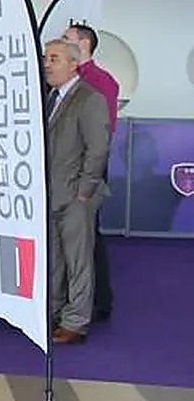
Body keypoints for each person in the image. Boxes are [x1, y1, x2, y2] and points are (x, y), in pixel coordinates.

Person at [43, 39, 111, 344]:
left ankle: (76, 322)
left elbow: (98, 149)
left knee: (78, 261)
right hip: (52, 193)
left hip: (76, 196)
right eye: (46, 58)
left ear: (73, 64)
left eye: (54, 59)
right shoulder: (50, 98)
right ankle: (55, 311)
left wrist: (84, 192)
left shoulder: (90, 99)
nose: (47, 64)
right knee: (55, 259)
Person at [65, 23, 119, 322]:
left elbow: (102, 133)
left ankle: (99, 299)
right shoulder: (64, 80)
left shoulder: (102, 81)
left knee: (87, 234)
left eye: (67, 39)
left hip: (87, 169)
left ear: (84, 44)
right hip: (63, 168)